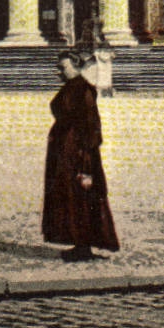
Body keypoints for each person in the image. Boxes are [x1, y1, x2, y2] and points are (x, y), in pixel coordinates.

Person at [42, 52, 118, 262]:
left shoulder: (83, 89)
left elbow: (92, 127)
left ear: (75, 66)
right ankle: (78, 242)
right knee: (70, 198)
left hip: (78, 154)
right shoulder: (71, 87)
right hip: (66, 153)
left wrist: (86, 164)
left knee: (81, 198)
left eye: (62, 68)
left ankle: (84, 246)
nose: (58, 72)